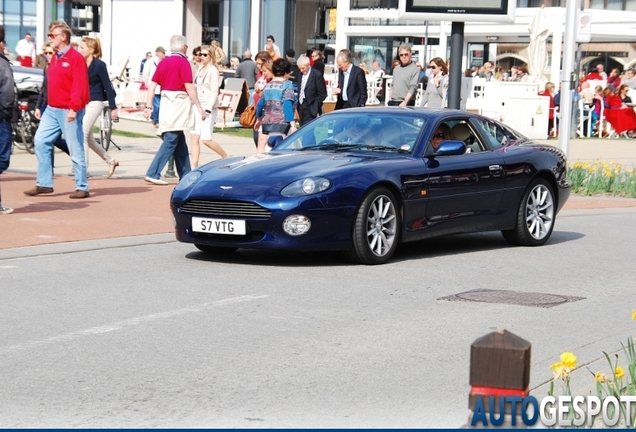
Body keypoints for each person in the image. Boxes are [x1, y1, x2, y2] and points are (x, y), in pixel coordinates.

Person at [23, 21, 90, 199]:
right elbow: (48, 85)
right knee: (40, 141)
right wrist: (40, 105)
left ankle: (82, 186)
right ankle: (44, 183)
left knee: (75, 147)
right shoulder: (55, 58)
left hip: (68, 109)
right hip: (52, 109)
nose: (49, 39)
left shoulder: (76, 58)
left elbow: (79, 85)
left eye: (52, 35)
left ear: (63, 37)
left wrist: (74, 109)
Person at [142, 34, 207, 185]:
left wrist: (148, 106)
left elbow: (152, 86)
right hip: (179, 102)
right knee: (172, 138)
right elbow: (189, 86)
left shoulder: (163, 63)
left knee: (178, 139)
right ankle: (153, 172)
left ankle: (186, 175)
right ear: (184, 47)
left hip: (165, 101)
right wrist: (199, 106)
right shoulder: (183, 62)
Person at [78, 36, 120, 178]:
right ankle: (111, 161)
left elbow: (107, 86)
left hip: (95, 101)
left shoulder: (99, 65)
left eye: (82, 47)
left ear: (91, 50)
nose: (79, 50)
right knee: (89, 139)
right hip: (82, 102)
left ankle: (83, 170)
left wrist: (113, 107)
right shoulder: (79, 63)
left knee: (82, 134)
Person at [190, 44, 227, 167]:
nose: (202, 57)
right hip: (198, 106)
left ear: (211, 56)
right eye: (200, 54)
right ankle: (194, 166)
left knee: (206, 139)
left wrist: (208, 109)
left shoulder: (213, 70)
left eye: (205, 55)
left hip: (207, 107)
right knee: (194, 137)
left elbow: (214, 91)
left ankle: (226, 157)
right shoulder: (200, 68)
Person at [255, 58, 296, 152]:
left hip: (267, 122)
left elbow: (260, 104)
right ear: (286, 72)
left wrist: (259, 118)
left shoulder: (268, 85)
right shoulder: (287, 85)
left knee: (263, 147)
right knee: (282, 148)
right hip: (282, 123)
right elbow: (287, 104)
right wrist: (292, 124)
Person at [0, 26, 16, 214]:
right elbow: (7, 91)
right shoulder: (3, 64)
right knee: (3, 159)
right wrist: (5, 112)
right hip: (1, 117)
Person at [296, 54, 326, 127]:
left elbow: (322, 93)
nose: (301, 70)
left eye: (303, 68)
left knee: (308, 130)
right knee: (302, 130)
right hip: (301, 106)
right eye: (299, 68)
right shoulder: (300, 74)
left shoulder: (316, 75)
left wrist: (315, 105)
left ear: (308, 65)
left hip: (311, 106)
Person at [253, 51, 274, 148]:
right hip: (258, 107)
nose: (258, 66)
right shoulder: (259, 74)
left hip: (266, 111)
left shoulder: (270, 76)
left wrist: (259, 93)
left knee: (261, 140)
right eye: (256, 63)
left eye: (260, 64)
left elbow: (268, 96)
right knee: (256, 137)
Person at [142, 46, 166, 126]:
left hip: (158, 86)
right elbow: (145, 73)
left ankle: (154, 117)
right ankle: (156, 120)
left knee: (159, 104)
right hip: (156, 86)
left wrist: (147, 83)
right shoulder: (151, 61)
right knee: (157, 104)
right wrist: (147, 83)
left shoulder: (152, 61)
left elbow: (145, 73)